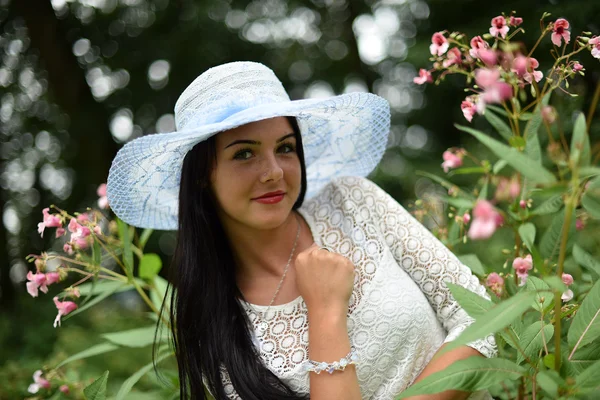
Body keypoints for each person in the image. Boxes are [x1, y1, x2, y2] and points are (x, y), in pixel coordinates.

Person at [106, 61, 497, 400]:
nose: (274, 172)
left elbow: (480, 318)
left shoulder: (351, 201)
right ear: (202, 177)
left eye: (286, 148)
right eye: (244, 153)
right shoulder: (212, 324)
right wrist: (325, 310)